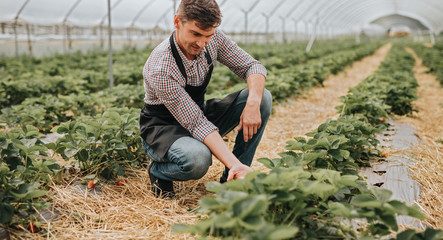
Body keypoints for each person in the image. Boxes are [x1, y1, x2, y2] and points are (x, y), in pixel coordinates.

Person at [140, 0, 272, 198]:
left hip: (196, 111)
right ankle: (159, 171)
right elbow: (197, 123)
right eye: (195, 34)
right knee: (198, 159)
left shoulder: (214, 39)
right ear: (177, 22)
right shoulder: (162, 66)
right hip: (162, 127)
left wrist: (253, 102)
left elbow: (252, 66)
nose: (201, 44)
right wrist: (233, 160)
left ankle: (233, 180)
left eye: (208, 36)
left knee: (263, 99)